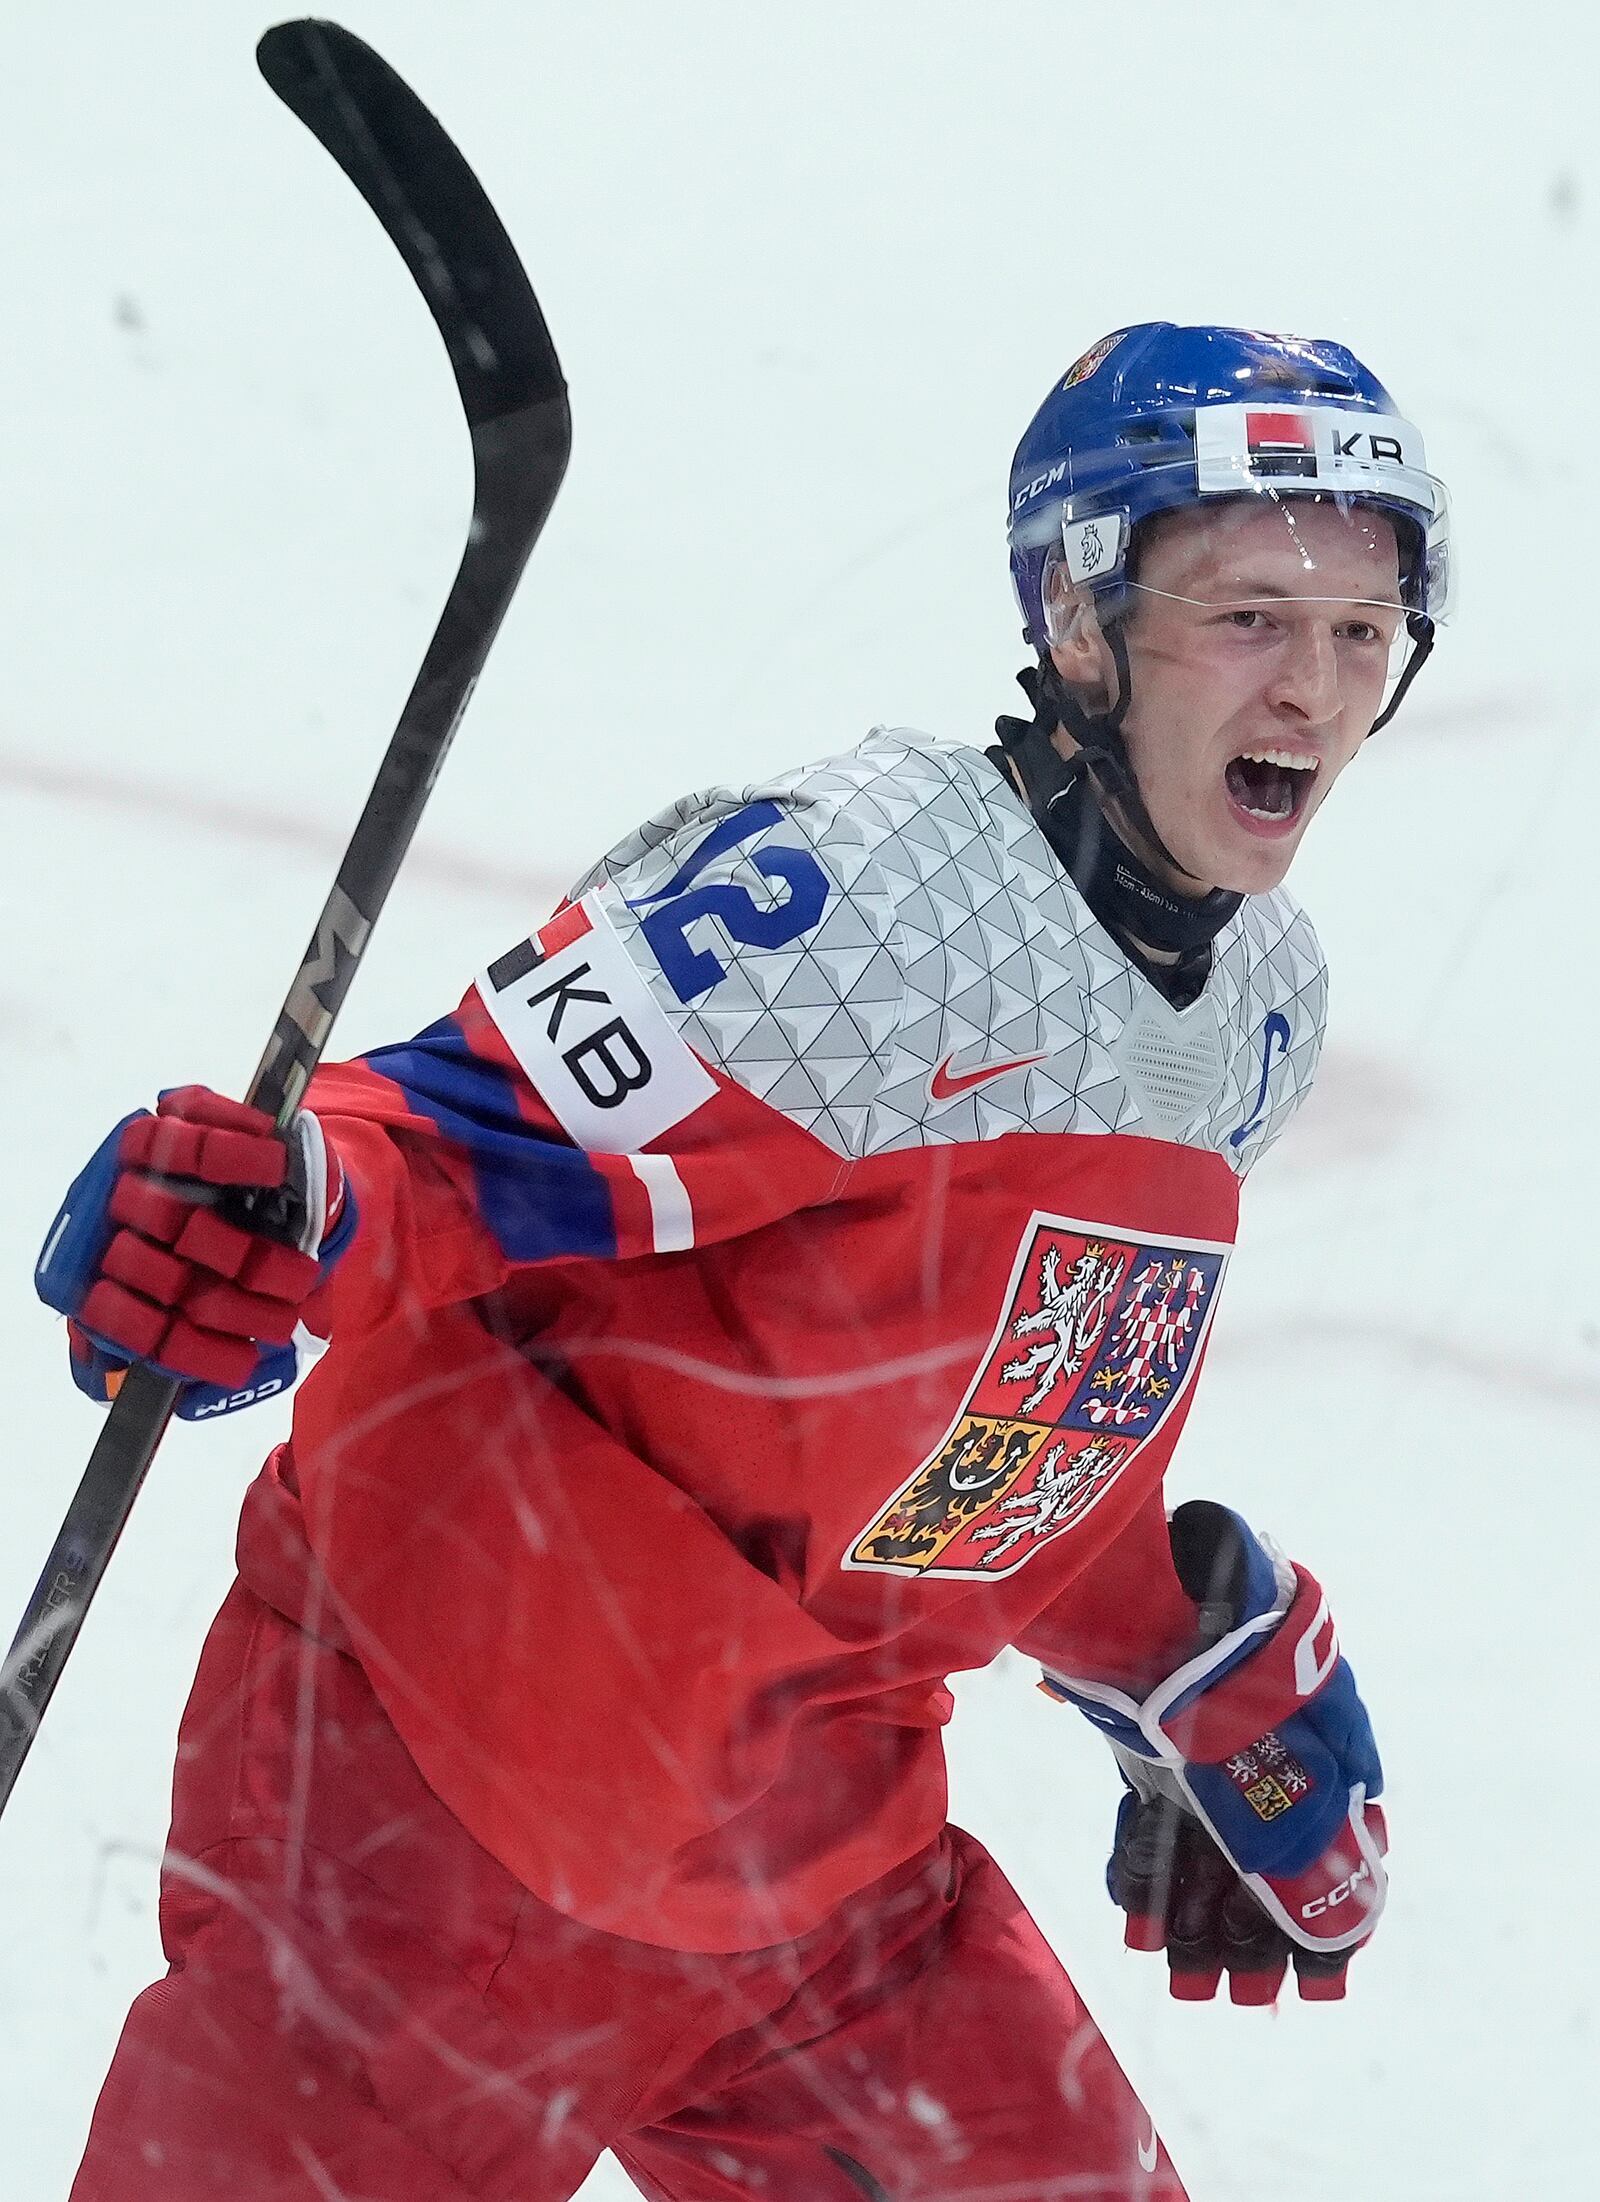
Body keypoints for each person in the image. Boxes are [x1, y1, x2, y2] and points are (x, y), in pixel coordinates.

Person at [38, 322, 1451, 2202]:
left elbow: (954, 1427)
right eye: (1251, 616)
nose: (1317, 687)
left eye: (1363, 632)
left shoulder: (1258, 1010)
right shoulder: (869, 894)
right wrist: (285, 1216)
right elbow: (467, 1131)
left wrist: (1187, 1654)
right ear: (1086, 622)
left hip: (817, 1885)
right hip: (441, 1817)